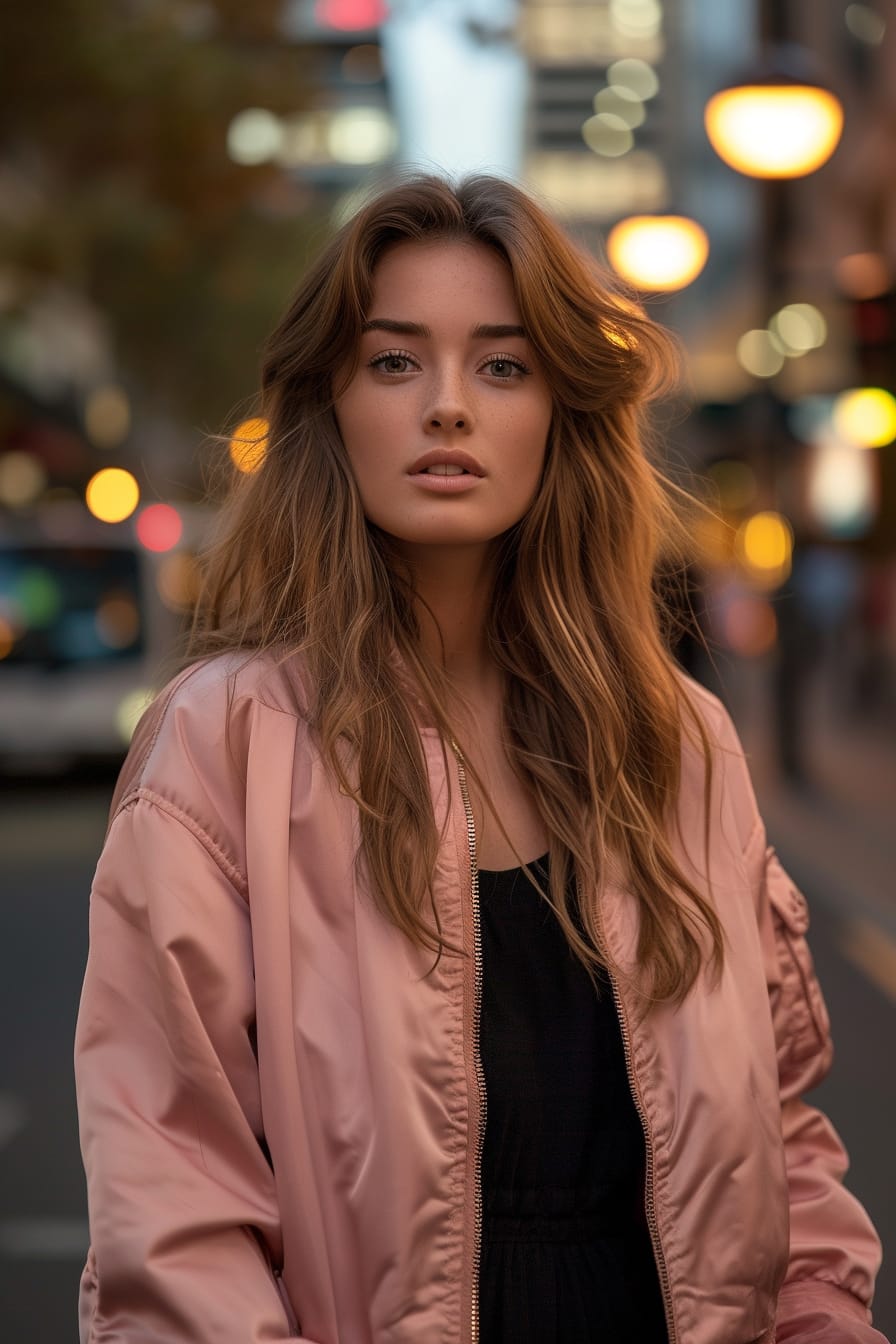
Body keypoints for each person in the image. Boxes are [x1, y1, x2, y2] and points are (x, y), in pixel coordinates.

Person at [74, 174, 886, 1344]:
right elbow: (173, 1207)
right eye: (395, 362)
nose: (446, 406)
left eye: (501, 366)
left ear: (560, 413)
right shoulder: (224, 745)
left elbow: (784, 1146)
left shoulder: (677, 742)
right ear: (331, 405)